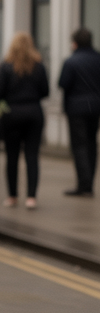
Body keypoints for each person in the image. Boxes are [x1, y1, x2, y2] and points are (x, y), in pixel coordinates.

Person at [0, 31, 49, 209]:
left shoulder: (6, 67)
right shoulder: (39, 66)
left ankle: (12, 196)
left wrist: (1, 103)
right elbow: (45, 91)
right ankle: (31, 197)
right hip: (34, 113)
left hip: (12, 114)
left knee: (12, 156)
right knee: (32, 156)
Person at [58, 27, 100, 196]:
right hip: (95, 107)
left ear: (75, 43)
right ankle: (89, 183)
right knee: (91, 144)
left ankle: (84, 184)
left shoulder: (71, 62)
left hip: (76, 108)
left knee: (79, 146)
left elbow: (63, 83)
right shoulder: (98, 59)